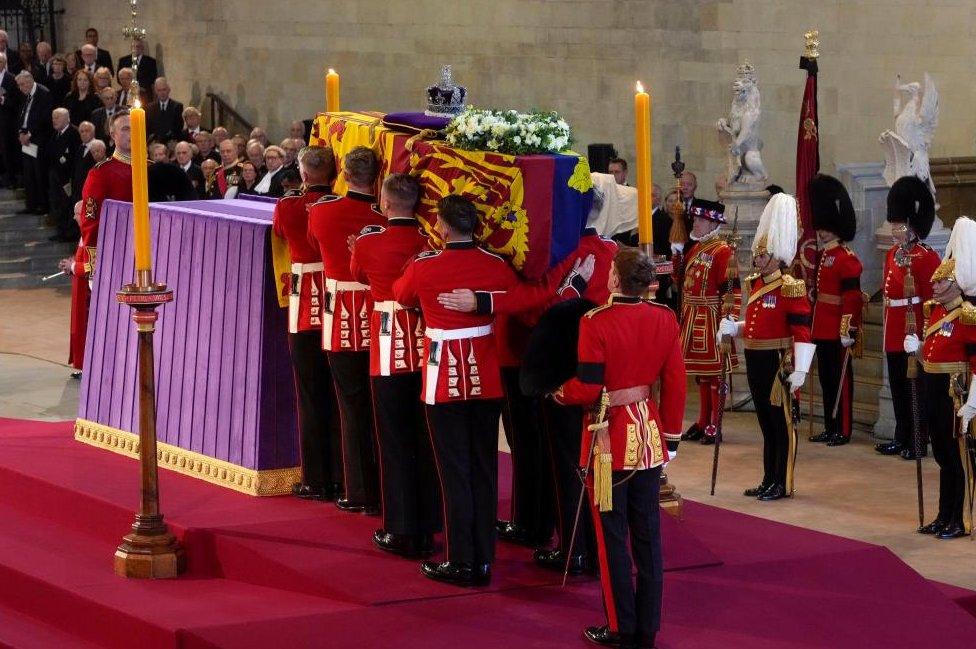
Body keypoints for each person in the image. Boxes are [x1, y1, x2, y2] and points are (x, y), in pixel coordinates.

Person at [437, 188, 617, 573]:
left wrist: (485, 302)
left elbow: (540, 308)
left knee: (563, 462)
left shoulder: (560, 256)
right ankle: (575, 541)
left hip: (558, 368)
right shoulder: (612, 252)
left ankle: (574, 548)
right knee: (579, 460)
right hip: (598, 370)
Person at [554, 247, 685, 649]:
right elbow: (675, 382)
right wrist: (672, 438)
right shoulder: (664, 318)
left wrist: (560, 393)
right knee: (647, 534)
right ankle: (647, 627)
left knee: (612, 537)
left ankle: (620, 627)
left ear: (614, 280)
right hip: (647, 434)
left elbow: (590, 387)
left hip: (608, 437)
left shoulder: (596, 322)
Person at [393, 195, 519, 587]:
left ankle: (462, 560)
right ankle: (483, 555)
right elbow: (513, 297)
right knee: (483, 465)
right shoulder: (495, 265)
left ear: (443, 228)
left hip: (443, 373)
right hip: (485, 374)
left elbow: (401, 295)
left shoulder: (425, 265)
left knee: (454, 471)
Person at [350, 173, 441, 557]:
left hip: (388, 345)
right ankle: (431, 522)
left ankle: (402, 528)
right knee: (425, 438)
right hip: (425, 343)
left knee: (394, 440)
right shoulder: (427, 243)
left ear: (385, 204)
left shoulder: (370, 241)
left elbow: (358, 275)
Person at [717, 193, 814, 501]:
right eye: (757, 256)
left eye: (762, 256)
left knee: (781, 425)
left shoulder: (790, 286)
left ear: (776, 257)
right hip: (756, 357)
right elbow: (757, 323)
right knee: (765, 424)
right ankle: (768, 477)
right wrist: (736, 328)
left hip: (777, 362)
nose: (756, 260)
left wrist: (800, 369)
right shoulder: (756, 283)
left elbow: (802, 331)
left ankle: (782, 482)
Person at [307, 146, 385, 513]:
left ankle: (358, 490)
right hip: (380, 317)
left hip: (340, 317)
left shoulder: (322, 212)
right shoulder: (383, 217)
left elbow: (313, 246)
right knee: (381, 405)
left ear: (345, 173)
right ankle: (387, 486)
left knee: (351, 407)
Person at [272, 146, 343, 502]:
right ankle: (344, 475)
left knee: (311, 392)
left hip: (305, 302)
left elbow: (281, 233)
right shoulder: (340, 206)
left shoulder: (289, 206)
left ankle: (317, 477)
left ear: (302, 174)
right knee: (340, 392)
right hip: (338, 300)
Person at [909, 217, 975, 540]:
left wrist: (972, 403)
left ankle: (957, 519)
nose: (933, 287)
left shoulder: (967, 315)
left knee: (953, 458)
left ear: (955, 283)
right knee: (939, 454)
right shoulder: (935, 311)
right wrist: (917, 349)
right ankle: (941, 514)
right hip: (932, 388)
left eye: (939, 284)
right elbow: (931, 355)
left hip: (954, 393)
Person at [59, 111, 133, 376]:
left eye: (134, 127)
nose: (130, 132)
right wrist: (92, 263)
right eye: (124, 128)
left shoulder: (150, 169)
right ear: (112, 136)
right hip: (115, 257)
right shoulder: (101, 173)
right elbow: (90, 222)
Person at [876, 176, 940, 459]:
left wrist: (924, 335)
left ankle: (917, 440)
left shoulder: (927, 258)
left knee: (916, 387)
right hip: (894, 328)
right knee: (899, 388)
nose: (895, 231)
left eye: (899, 226)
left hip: (913, 330)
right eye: (894, 225)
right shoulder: (892, 254)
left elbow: (932, 300)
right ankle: (901, 436)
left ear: (913, 227)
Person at [678, 199, 740, 446]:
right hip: (693, 316)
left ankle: (716, 423)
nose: (696, 223)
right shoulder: (696, 248)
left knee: (716, 376)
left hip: (712, 317)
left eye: (700, 220)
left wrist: (729, 318)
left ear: (713, 222)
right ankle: (703, 420)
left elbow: (731, 289)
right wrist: (676, 258)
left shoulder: (723, 250)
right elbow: (683, 281)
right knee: (702, 376)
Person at [808, 174, 864, 447]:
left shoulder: (846, 258)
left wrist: (848, 328)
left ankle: (842, 429)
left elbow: (852, 297)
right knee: (827, 381)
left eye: (827, 228)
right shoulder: (826, 255)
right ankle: (830, 426)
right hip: (822, 325)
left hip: (837, 328)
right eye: (821, 227)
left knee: (842, 383)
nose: (822, 232)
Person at [16, 70, 53, 216]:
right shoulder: (26, 95)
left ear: (30, 81)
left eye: (22, 84)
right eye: (19, 85)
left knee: (39, 174)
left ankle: (43, 205)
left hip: (38, 140)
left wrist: (29, 134)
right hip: (26, 140)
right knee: (28, 174)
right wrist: (20, 133)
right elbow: (22, 116)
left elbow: (44, 119)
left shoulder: (44, 93)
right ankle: (31, 204)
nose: (20, 88)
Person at [47, 108, 81, 241]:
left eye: (57, 117)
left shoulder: (73, 133)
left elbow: (73, 156)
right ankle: (61, 231)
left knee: (67, 205)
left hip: (67, 177)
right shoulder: (56, 134)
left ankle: (69, 232)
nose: (54, 120)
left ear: (67, 118)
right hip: (56, 175)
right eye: (53, 117)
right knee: (57, 203)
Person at [0, 52, 21, 188]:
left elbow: (16, 101)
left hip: (6, 121)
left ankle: (11, 178)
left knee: (6, 149)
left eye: (0, 62)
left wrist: (3, 100)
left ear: (4, 63)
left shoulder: (11, 79)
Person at [145, 78, 183, 143]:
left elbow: (178, 126)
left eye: (164, 90)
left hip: (171, 142)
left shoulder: (177, 106)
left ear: (168, 90)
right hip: (155, 143)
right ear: (156, 91)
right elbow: (148, 127)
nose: (162, 93)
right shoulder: (149, 108)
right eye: (159, 90)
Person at [71, 121, 97, 202]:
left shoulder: (98, 146)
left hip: (92, 190)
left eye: (87, 131)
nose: (84, 133)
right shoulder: (80, 148)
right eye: (81, 131)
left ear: (93, 132)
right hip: (79, 190)